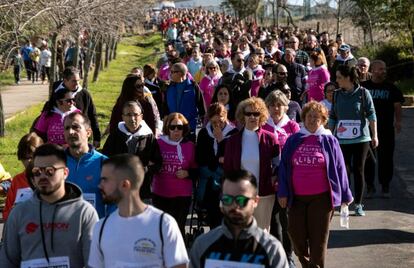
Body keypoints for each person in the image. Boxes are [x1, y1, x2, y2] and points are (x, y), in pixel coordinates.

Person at [278, 101, 353, 268]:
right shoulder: (294, 139)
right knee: (295, 235)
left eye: (316, 117)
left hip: (322, 199)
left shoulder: (329, 140)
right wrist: (282, 192)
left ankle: (315, 265)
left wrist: (346, 195)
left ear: (323, 120)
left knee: (318, 240)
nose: (312, 120)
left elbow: (340, 168)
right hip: (296, 197)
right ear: (303, 118)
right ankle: (305, 263)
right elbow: (283, 167)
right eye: (309, 116)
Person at [0, 143, 98, 267]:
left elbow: (93, 263)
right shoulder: (19, 213)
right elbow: (7, 262)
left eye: (49, 171)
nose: (42, 176)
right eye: (37, 171)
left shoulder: (85, 213)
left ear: (65, 173)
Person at [88, 154, 189, 268]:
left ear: (125, 184)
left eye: (105, 180)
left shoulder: (164, 224)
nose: (99, 185)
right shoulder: (101, 227)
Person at [189, 170, 289, 268]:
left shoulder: (272, 249)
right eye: (227, 199)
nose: (234, 206)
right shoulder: (202, 245)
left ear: (255, 201)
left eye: (241, 200)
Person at [224, 97, 279, 232]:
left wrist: (274, 178)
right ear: (242, 116)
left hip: (264, 194)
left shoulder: (270, 138)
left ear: (262, 116)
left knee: (262, 232)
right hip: (240, 195)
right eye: (248, 114)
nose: (252, 117)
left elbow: (278, 164)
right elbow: (228, 169)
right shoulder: (233, 140)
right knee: (240, 232)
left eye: (256, 113)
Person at [329, 65, 378, 216]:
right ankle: (345, 201)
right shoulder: (337, 95)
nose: (336, 81)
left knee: (358, 170)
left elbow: (371, 115)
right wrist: (330, 135)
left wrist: (375, 135)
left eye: (339, 77)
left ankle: (358, 204)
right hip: (342, 139)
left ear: (349, 78)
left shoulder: (363, 93)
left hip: (361, 139)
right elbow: (333, 117)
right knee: (344, 170)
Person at [263, 90, 300, 267]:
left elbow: (298, 151)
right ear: (267, 107)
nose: (276, 108)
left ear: (286, 106)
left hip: (288, 179)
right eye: (272, 105)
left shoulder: (292, 126)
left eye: (280, 105)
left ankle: (289, 256)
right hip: (268, 179)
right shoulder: (263, 125)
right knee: (273, 220)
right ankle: (277, 257)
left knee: (288, 221)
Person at [102, 101, 162, 201]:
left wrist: (143, 170)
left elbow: (158, 163)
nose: (132, 118)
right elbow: (106, 159)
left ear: (141, 116)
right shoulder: (115, 135)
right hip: (118, 188)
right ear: (123, 117)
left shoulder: (148, 136)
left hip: (142, 189)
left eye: (135, 115)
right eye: (128, 115)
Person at [362, 60, 404, 198]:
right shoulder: (364, 87)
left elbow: (397, 106)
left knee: (386, 158)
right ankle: (369, 186)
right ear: (372, 70)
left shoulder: (391, 88)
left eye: (384, 69)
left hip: (386, 129)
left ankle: (385, 185)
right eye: (380, 69)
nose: (383, 71)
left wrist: (398, 121)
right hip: (367, 130)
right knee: (368, 158)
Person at [152, 113, 198, 236]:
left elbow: (197, 170)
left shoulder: (190, 146)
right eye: (173, 127)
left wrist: (187, 173)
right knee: (161, 230)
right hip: (161, 193)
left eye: (179, 127)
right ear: (167, 128)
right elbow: (151, 164)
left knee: (177, 229)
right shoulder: (158, 143)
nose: (176, 130)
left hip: (182, 195)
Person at [196, 103, 237, 228]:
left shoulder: (233, 133)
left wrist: (220, 141)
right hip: (209, 176)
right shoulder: (204, 133)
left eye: (220, 119)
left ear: (225, 116)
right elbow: (200, 157)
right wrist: (217, 160)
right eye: (213, 121)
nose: (217, 124)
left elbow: (232, 157)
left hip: (226, 177)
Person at [63, 112, 110, 218]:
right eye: (67, 128)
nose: (70, 132)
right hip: (63, 230)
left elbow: (114, 204)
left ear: (88, 132)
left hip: (95, 229)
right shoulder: (57, 162)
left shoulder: (104, 163)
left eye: (75, 127)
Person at [53, 67, 101, 148]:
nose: (77, 84)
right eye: (74, 81)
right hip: (58, 140)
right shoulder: (56, 91)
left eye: (78, 80)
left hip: (79, 137)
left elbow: (92, 115)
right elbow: (49, 110)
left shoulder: (84, 94)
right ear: (65, 81)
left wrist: (97, 137)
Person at [3, 132, 43, 221]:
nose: (28, 161)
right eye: (25, 157)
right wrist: (14, 212)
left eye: (32, 157)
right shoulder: (17, 180)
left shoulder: (50, 178)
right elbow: (6, 213)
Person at [163, 63, 205, 138]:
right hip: (173, 128)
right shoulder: (168, 87)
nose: (170, 74)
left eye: (172, 72)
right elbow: (165, 108)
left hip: (189, 127)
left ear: (180, 73)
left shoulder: (193, 86)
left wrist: (204, 124)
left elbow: (201, 106)